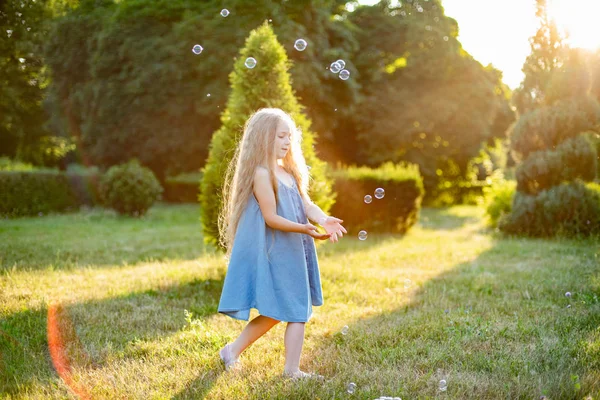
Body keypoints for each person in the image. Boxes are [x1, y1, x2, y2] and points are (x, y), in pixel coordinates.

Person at [216, 108, 347, 380]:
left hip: (295, 249)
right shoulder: (262, 174)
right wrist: (305, 229)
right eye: (281, 136)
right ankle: (291, 370)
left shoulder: (289, 171)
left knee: (286, 310)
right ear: (264, 138)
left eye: (290, 136)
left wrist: (324, 219)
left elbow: (306, 204)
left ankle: (232, 351)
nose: (288, 142)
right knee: (292, 309)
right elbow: (271, 217)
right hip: (277, 250)